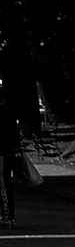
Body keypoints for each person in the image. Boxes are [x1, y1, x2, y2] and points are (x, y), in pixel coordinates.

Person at [0, 87, 26, 225]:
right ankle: (6, 214)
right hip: (6, 151)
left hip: (3, 152)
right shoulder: (9, 113)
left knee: (3, 184)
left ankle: (7, 215)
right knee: (4, 184)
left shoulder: (4, 114)